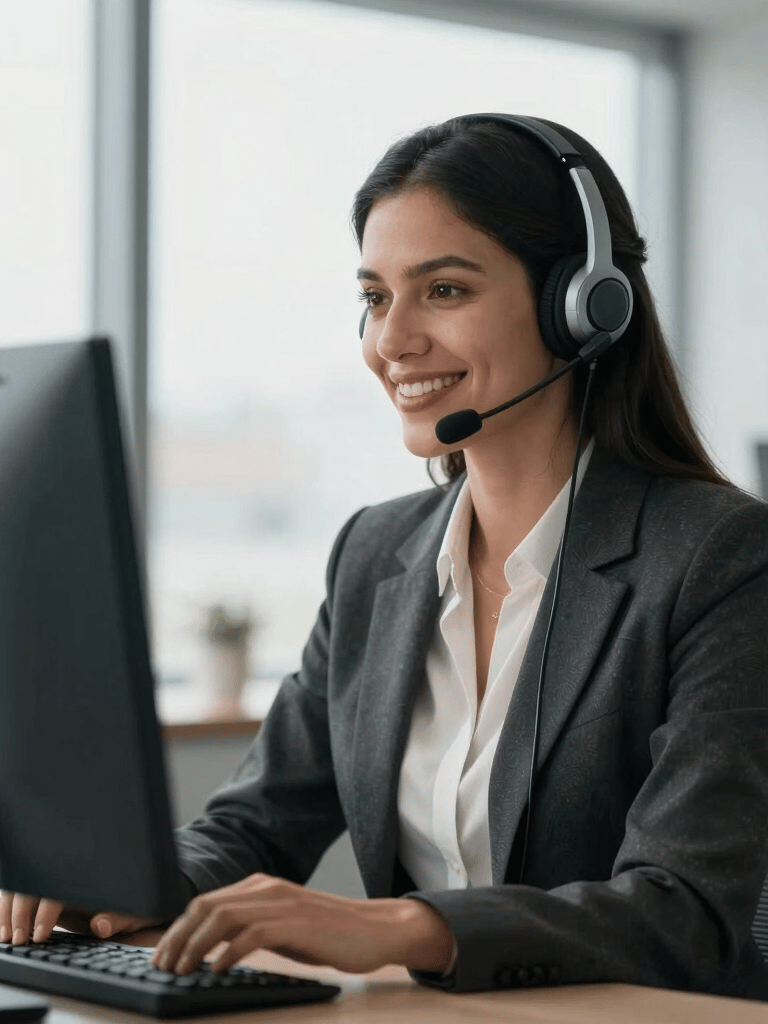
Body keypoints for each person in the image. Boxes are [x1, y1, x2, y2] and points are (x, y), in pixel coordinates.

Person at [3, 114, 768, 998]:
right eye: (374, 296)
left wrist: (397, 927)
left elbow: (686, 910)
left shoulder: (721, 558)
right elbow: (252, 826)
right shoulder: (377, 554)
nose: (390, 340)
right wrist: (111, 892)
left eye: (443, 291)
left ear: (583, 305)